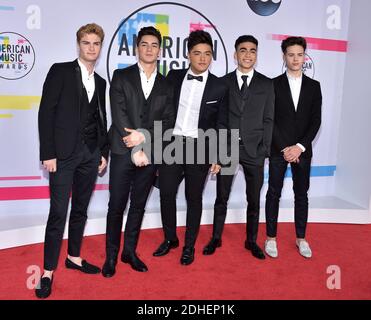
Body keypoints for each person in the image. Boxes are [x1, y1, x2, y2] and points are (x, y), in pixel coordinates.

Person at [36, 23, 108, 298]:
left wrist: (103, 152)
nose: (91, 48)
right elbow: (46, 113)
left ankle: (74, 257)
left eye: (96, 43)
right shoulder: (61, 71)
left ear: (100, 47)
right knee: (58, 213)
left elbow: (100, 119)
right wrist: (48, 153)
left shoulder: (100, 82)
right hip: (63, 156)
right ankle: (47, 271)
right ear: (79, 45)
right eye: (87, 43)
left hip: (90, 155)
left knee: (80, 209)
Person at [102, 26, 174, 277]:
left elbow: (168, 121)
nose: (149, 49)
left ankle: (129, 252)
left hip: (151, 152)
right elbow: (118, 113)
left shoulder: (167, 84)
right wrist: (133, 142)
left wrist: (144, 138)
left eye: (154, 45)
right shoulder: (121, 76)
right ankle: (111, 255)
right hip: (123, 151)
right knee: (117, 205)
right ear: (136, 48)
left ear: (160, 50)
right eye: (145, 44)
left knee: (139, 205)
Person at [152, 30, 228, 265]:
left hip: (200, 148)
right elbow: (159, 112)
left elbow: (223, 122)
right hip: (171, 145)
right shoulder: (173, 77)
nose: (203, 58)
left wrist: (219, 156)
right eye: (197, 53)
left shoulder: (219, 86)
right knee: (166, 193)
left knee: (193, 198)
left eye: (207, 54)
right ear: (188, 55)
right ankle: (170, 238)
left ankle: (189, 246)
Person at [203, 35, 274, 260]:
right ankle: (216, 237)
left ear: (256, 55)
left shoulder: (266, 83)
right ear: (235, 55)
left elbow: (269, 119)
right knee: (221, 198)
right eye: (243, 50)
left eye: (252, 50)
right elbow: (219, 120)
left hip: (255, 151)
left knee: (253, 199)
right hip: (227, 148)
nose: (247, 55)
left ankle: (251, 240)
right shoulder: (223, 83)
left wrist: (264, 149)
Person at [265, 36, 322, 259]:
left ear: (304, 56)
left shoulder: (314, 86)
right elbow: (270, 119)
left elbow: (315, 121)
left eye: (299, 55)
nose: (296, 59)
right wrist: (285, 148)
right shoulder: (273, 84)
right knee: (273, 194)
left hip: (303, 151)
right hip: (279, 150)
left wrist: (299, 147)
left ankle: (301, 238)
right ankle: (270, 237)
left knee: (302, 195)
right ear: (284, 56)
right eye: (291, 55)